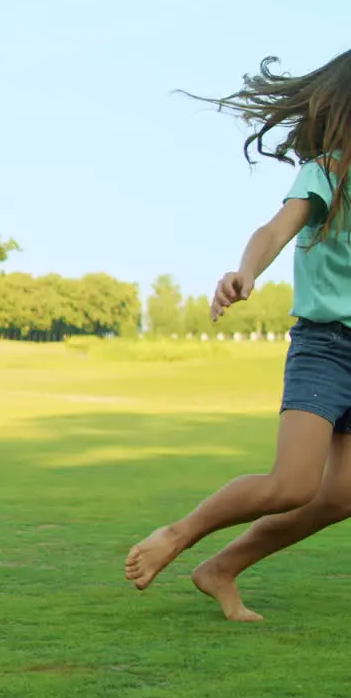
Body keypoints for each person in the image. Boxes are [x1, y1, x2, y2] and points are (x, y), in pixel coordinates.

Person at [125, 50, 351, 618]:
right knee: (292, 485)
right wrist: (246, 271)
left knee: (343, 495)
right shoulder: (325, 170)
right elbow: (275, 228)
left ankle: (221, 570)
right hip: (327, 348)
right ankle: (178, 535)